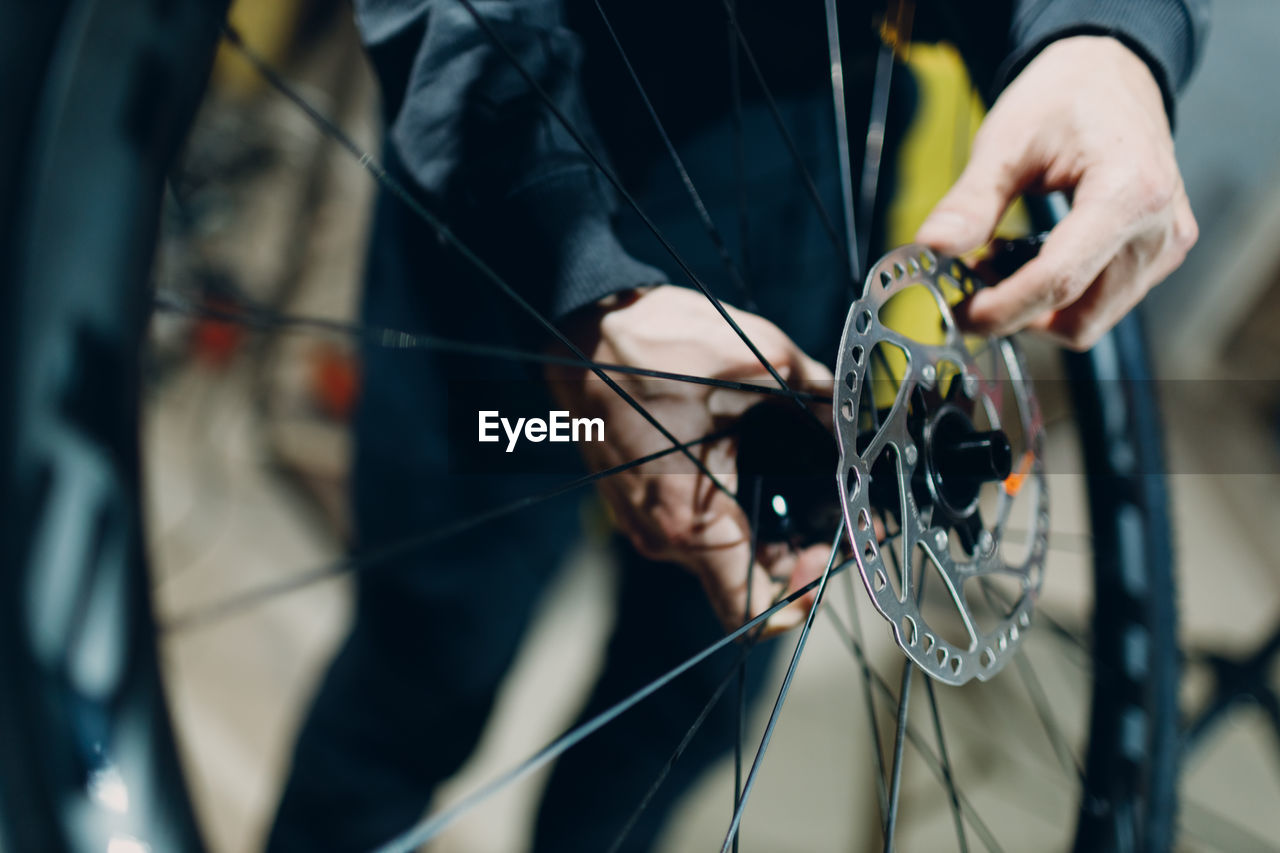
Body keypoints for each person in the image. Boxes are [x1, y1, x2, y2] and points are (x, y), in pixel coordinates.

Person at [267, 1, 1206, 850]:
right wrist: (575, 285)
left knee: (696, 689)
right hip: (525, 131)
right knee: (431, 650)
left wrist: (1110, 35)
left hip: (809, 148)